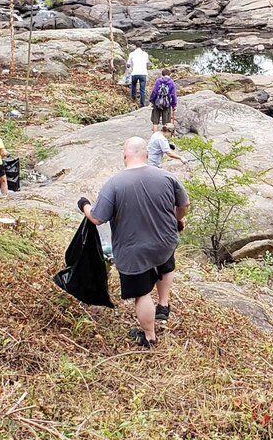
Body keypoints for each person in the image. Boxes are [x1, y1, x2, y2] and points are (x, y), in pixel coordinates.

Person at [77, 137, 190, 348]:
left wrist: (84, 204)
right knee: (165, 265)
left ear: (124, 157)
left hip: (133, 249)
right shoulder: (167, 177)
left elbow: (97, 218)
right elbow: (184, 205)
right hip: (165, 240)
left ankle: (149, 336)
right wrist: (176, 219)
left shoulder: (114, 184)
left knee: (142, 294)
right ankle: (163, 305)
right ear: (147, 155)